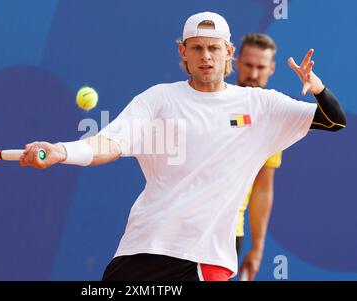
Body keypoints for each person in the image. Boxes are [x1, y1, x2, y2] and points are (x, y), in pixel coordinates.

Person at [19, 12, 346, 281]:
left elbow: (335, 120)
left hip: (205, 258)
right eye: (197, 48)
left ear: (229, 52)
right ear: (183, 52)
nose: (205, 56)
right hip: (140, 249)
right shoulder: (157, 98)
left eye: (214, 48)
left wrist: (316, 86)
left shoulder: (262, 106)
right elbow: (109, 144)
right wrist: (63, 151)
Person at [234, 33, 281, 281]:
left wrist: (258, 247)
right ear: (236, 61)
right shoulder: (208, 102)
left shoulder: (271, 119)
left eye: (260, 67)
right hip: (183, 229)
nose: (253, 74)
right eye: (248, 65)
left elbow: (263, 188)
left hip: (229, 234)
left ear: (271, 69)